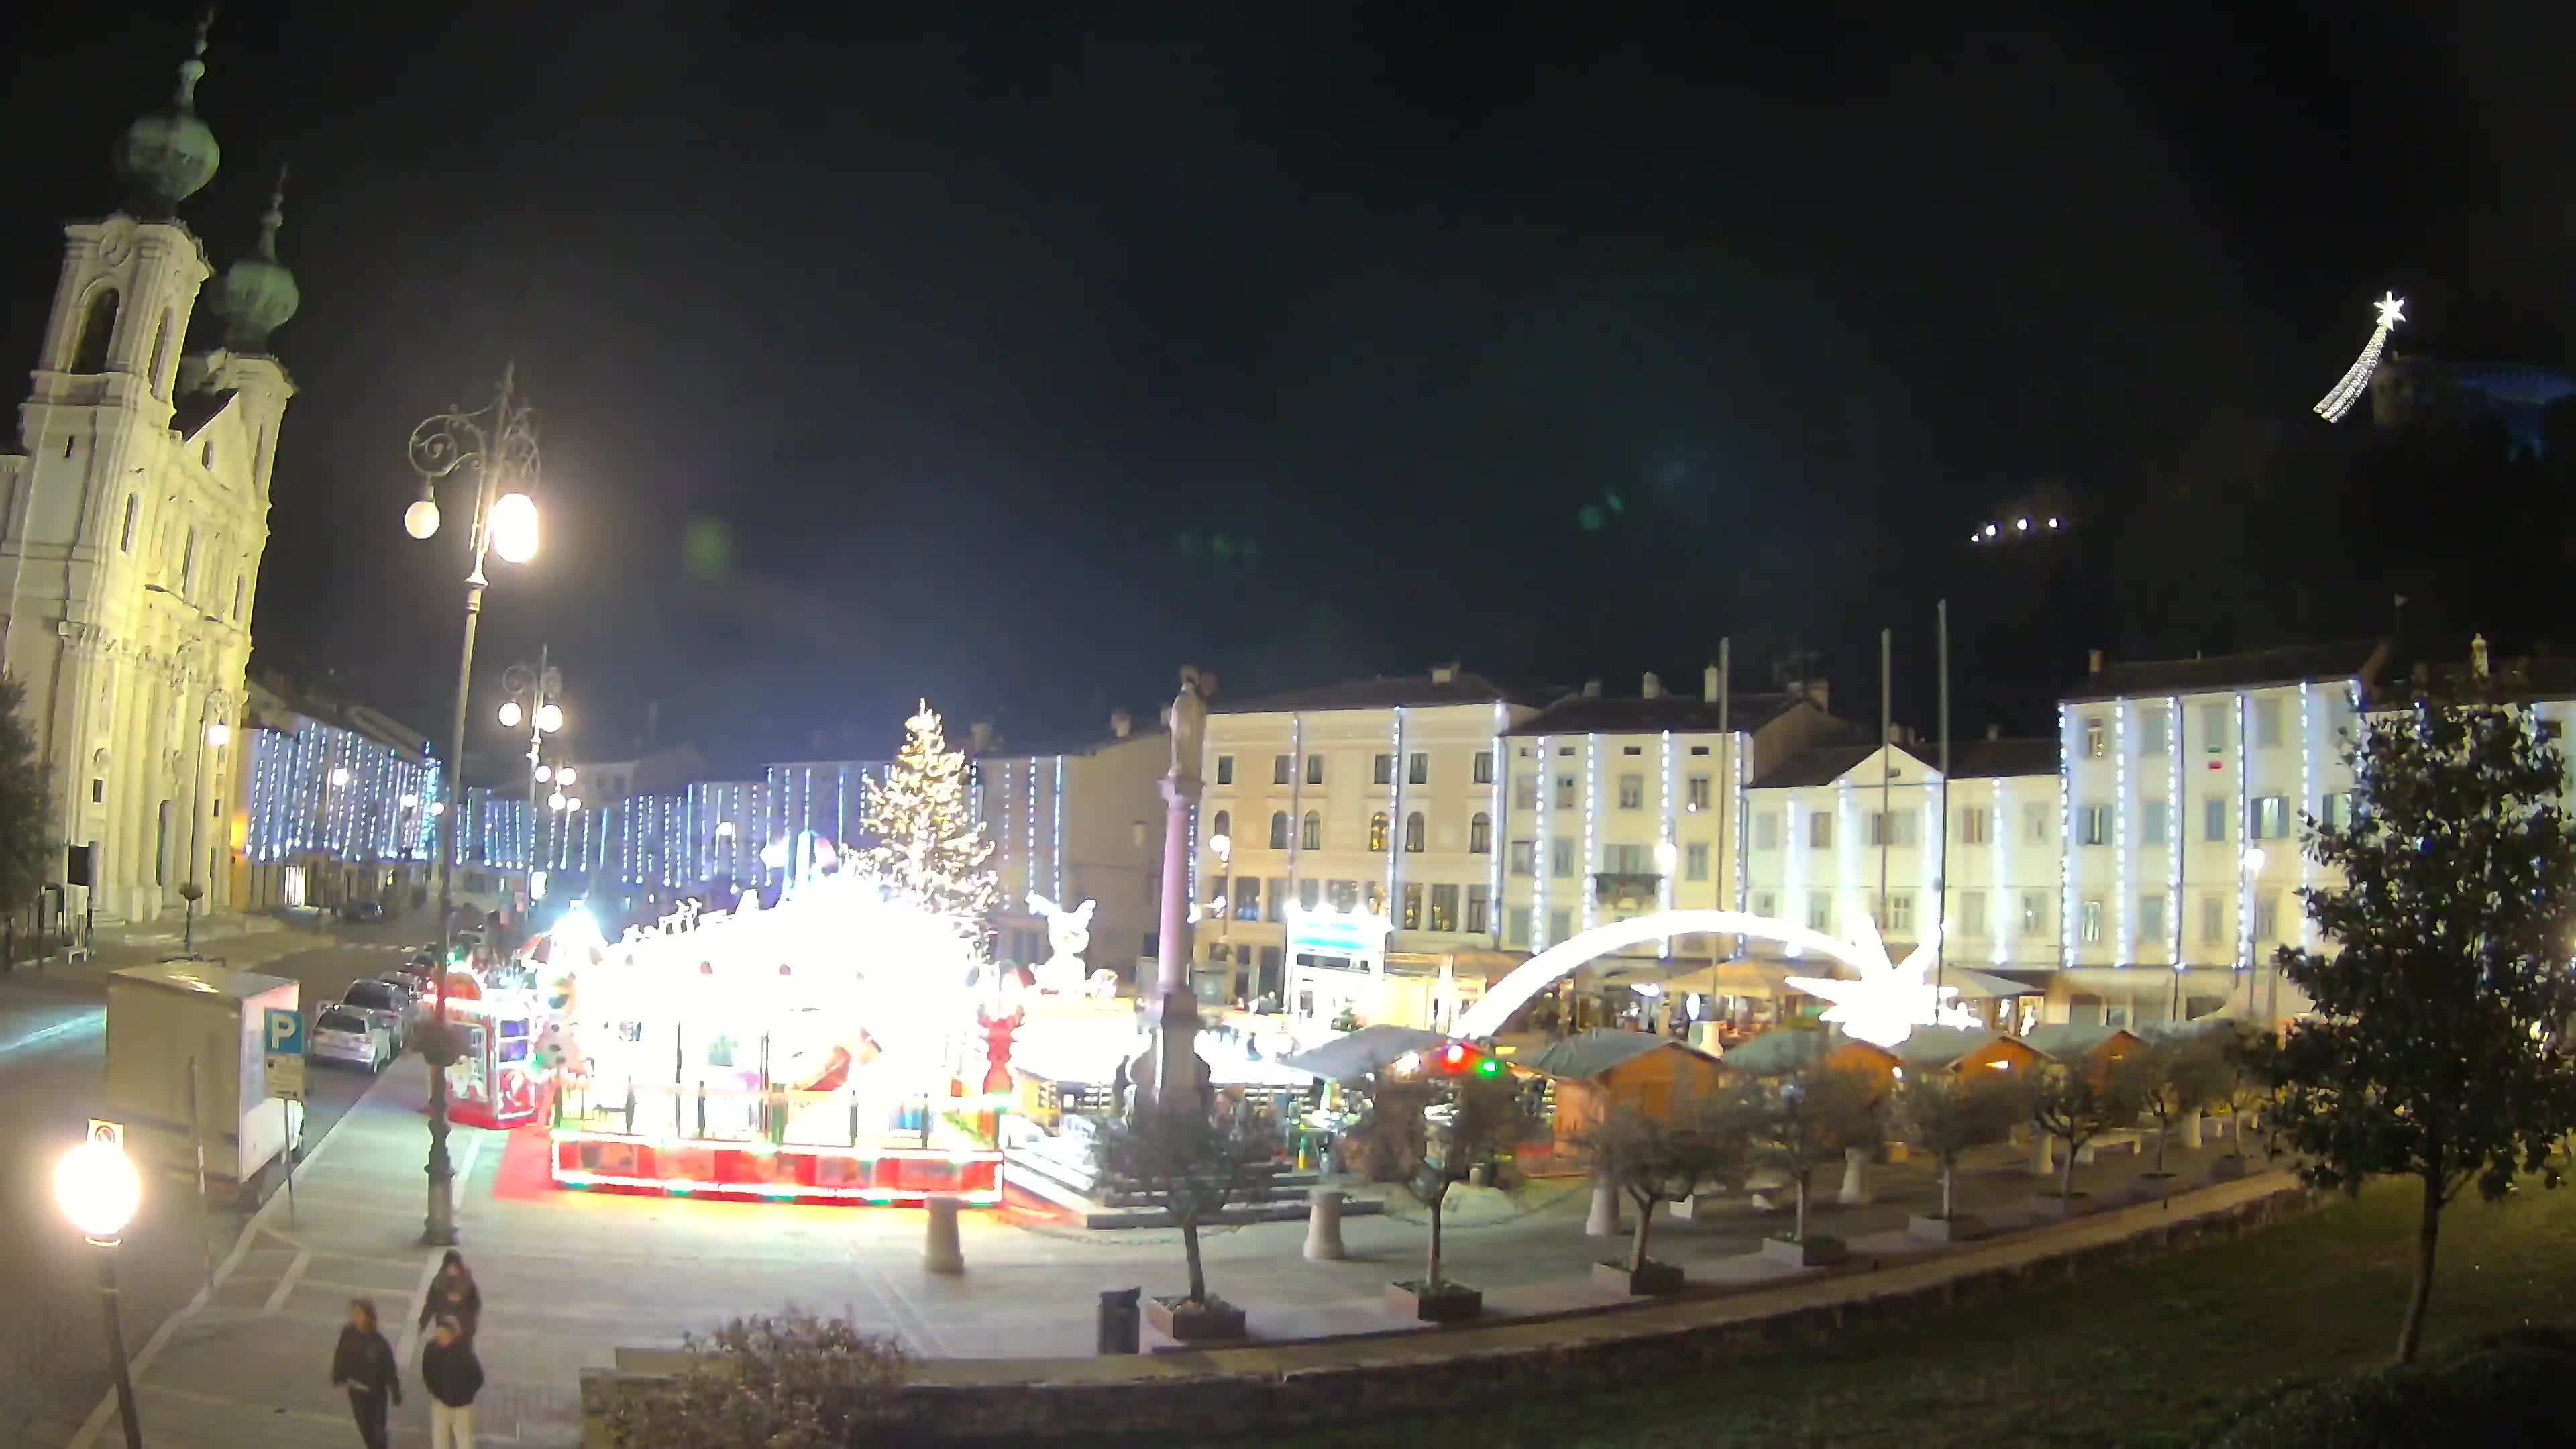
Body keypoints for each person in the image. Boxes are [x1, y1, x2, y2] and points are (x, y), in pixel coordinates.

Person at [329, 1297, 400, 1449]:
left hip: (376, 1394)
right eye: (354, 1313)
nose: (355, 1317)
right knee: (365, 1429)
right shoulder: (348, 1333)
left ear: (369, 1316)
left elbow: (390, 1368)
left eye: (359, 1313)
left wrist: (395, 1392)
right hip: (356, 1391)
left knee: (378, 1431)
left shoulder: (379, 1342)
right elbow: (341, 1354)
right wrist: (337, 1374)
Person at [420, 1315, 484, 1448]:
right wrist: (434, 1390)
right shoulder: (432, 1349)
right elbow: (426, 1371)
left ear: (454, 1334)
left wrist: (465, 1395)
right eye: (439, 1333)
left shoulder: (465, 1354)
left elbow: (478, 1377)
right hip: (440, 1403)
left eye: (445, 1334)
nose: (441, 1338)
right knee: (439, 1442)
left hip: (462, 1407)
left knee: (464, 1441)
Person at [418, 1250, 482, 1340]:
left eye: (456, 1266)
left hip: (464, 1327)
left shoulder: (468, 1281)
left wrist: (468, 1320)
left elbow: (476, 1304)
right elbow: (430, 1304)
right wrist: (423, 1323)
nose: (453, 1269)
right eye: (451, 1267)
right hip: (445, 1326)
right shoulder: (439, 1282)